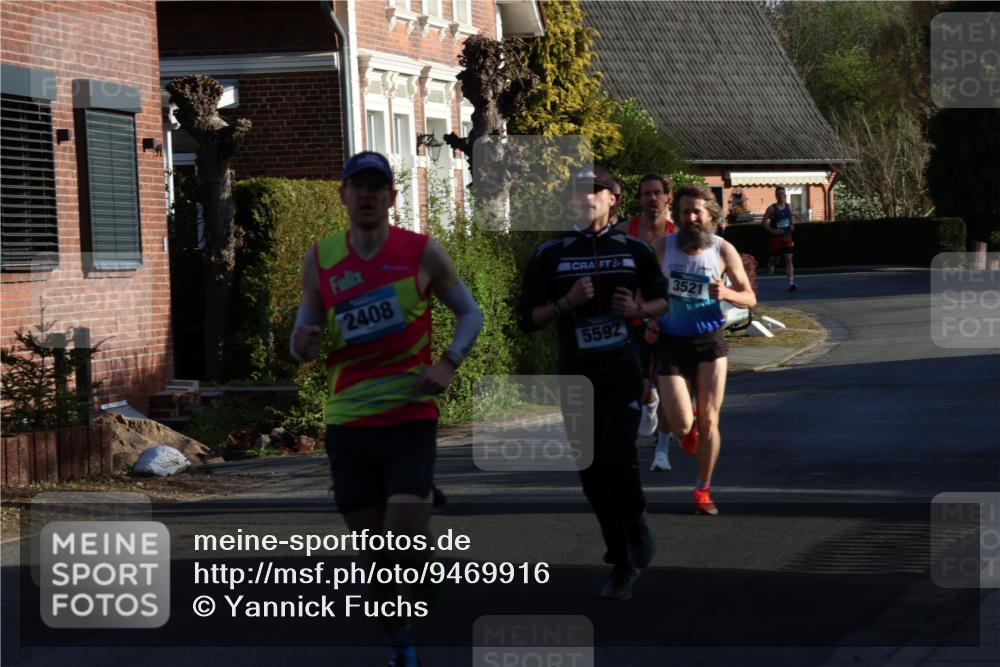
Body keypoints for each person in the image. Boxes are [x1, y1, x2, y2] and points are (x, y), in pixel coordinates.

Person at [290, 151, 484, 667]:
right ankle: (400, 642)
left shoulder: (422, 252)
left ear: (393, 198)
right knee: (375, 557)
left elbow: (469, 313)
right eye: (360, 186)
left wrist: (447, 363)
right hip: (349, 422)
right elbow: (302, 336)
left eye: (379, 187)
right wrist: (302, 341)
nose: (369, 195)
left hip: (408, 416)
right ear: (344, 196)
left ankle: (418, 570)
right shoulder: (322, 257)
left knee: (401, 539)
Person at [517, 165, 668, 601]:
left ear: (613, 199)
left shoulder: (634, 250)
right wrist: (567, 302)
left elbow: (662, 301)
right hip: (576, 372)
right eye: (579, 192)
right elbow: (528, 318)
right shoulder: (552, 253)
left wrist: (637, 307)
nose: (586, 198)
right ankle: (619, 553)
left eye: (595, 191)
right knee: (590, 471)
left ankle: (633, 531)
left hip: (622, 369)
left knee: (616, 458)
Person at [651, 183, 756, 516]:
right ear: (677, 215)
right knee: (682, 423)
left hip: (709, 341)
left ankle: (703, 490)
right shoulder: (662, 248)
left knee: (711, 419)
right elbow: (645, 292)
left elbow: (750, 297)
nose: (691, 217)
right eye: (685, 212)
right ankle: (689, 431)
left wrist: (726, 294)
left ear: (711, 214)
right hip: (670, 342)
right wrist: (649, 318)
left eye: (697, 211)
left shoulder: (723, 250)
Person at [619, 174, 679, 471]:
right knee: (641, 385)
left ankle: (663, 450)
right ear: (639, 199)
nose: (651, 198)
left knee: (668, 383)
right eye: (646, 194)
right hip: (634, 315)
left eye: (657, 193)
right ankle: (649, 400)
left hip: (670, 317)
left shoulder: (678, 233)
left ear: (668, 197)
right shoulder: (623, 232)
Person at [760, 186, 797, 291]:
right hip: (776, 238)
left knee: (789, 259)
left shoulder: (789, 207)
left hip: (787, 237)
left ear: (785, 195)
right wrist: (773, 231)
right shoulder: (771, 208)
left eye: (782, 193)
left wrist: (792, 226)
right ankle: (771, 263)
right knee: (776, 259)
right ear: (775, 196)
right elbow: (763, 223)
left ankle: (791, 283)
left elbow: (791, 220)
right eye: (779, 194)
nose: (781, 195)